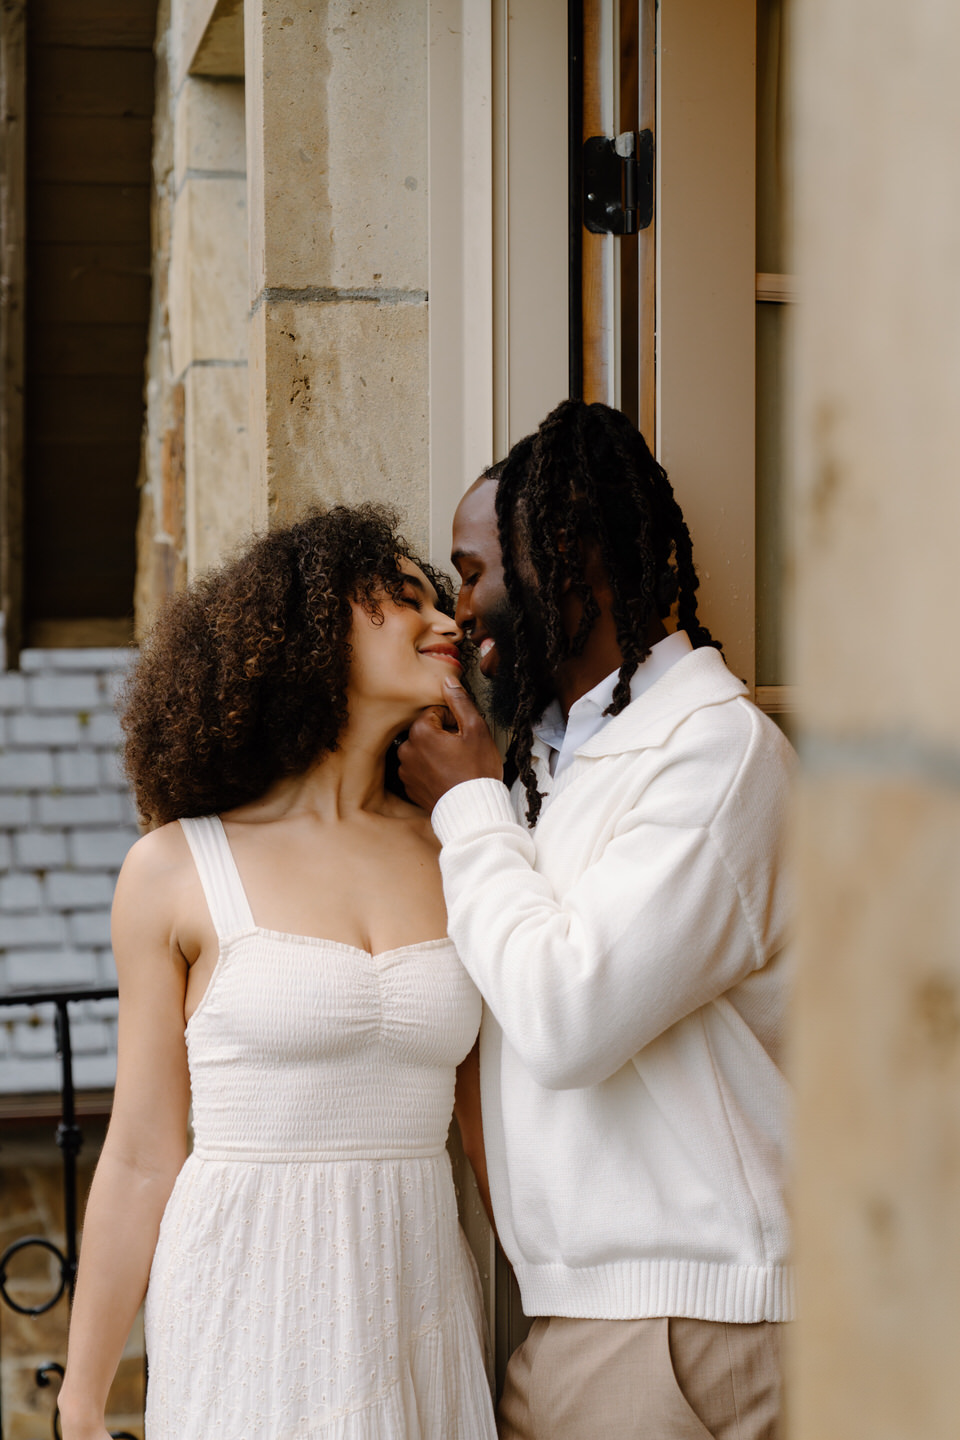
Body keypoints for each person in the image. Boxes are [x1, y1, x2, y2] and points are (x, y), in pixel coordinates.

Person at [57, 505, 497, 1440]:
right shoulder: (176, 869)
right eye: (404, 600)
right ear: (308, 630)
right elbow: (140, 1151)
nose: (447, 622)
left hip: (415, 1294)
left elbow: (488, 1124)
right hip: (245, 1303)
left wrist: (558, 1297)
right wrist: (82, 1400)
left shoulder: (463, 847)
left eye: (443, 602)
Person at [398, 400, 794, 1439]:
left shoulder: (714, 752)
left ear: (576, 565)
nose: (460, 608)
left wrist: (468, 806)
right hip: (583, 1320)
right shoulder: (556, 765)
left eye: (475, 571)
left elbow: (570, 1016)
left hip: (683, 1323)